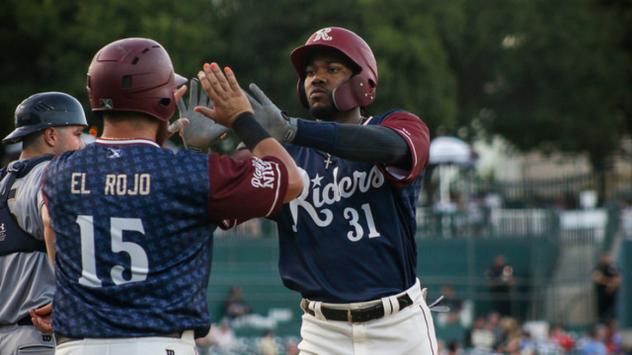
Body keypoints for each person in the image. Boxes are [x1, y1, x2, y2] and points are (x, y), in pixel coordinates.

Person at [41, 37, 303, 355]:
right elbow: (291, 180)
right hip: (158, 342)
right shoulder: (187, 171)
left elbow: (57, 240)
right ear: (162, 101)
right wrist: (242, 119)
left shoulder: (58, 171)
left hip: (75, 346)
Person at [247, 26, 435, 354]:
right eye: (309, 72)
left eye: (332, 69)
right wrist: (197, 151)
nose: (316, 79)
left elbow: (391, 148)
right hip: (323, 333)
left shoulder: (397, 125)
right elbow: (222, 201)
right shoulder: (285, 157)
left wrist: (293, 130)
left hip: (398, 325)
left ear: (363, 82)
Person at [0, 92, 87, 354]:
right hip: (38, 336)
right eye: (77, 134)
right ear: (50, 135)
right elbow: (52, 219)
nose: (82, 145)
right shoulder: (51, 174)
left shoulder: (4, 180)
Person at [592, 252, 621, 322]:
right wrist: (609, 282)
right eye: (605, 257)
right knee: (601, 317)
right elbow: (597, 278)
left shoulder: (614, 267)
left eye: (608, 256)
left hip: (611, 297)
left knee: (612, 316)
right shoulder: (599, 267)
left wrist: (611, 285)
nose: (607, 259)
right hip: (601, 297)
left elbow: (618, 279)